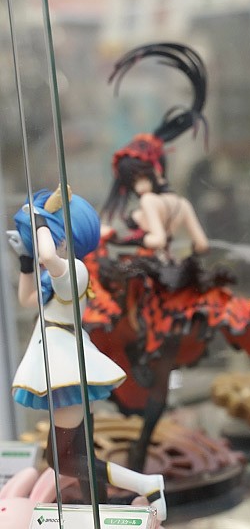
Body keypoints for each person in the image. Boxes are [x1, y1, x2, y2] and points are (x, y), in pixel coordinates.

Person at [86, 43, 250, 473]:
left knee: (120, 313)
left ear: (144, 174)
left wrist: (127, 235)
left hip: (152, 279)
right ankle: (145, 384)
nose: (132, 185)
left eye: (133, 177)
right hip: (174, 275)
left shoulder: (149, 204)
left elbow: (152, 237)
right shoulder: (180, 203)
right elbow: (200, 244)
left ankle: (144, 370)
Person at [6, 188, 167, 520]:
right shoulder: (58, 274)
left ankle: (146, 484)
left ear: (63, 238)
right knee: (67, 458)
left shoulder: (75, 270)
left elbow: (48, 254)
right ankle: (125, 494)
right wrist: (24, 259)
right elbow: (28, 299)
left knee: (64, 460)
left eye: (44, 237)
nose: (39, 246)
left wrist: (39, 222)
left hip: (67, 371)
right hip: (59, 365)